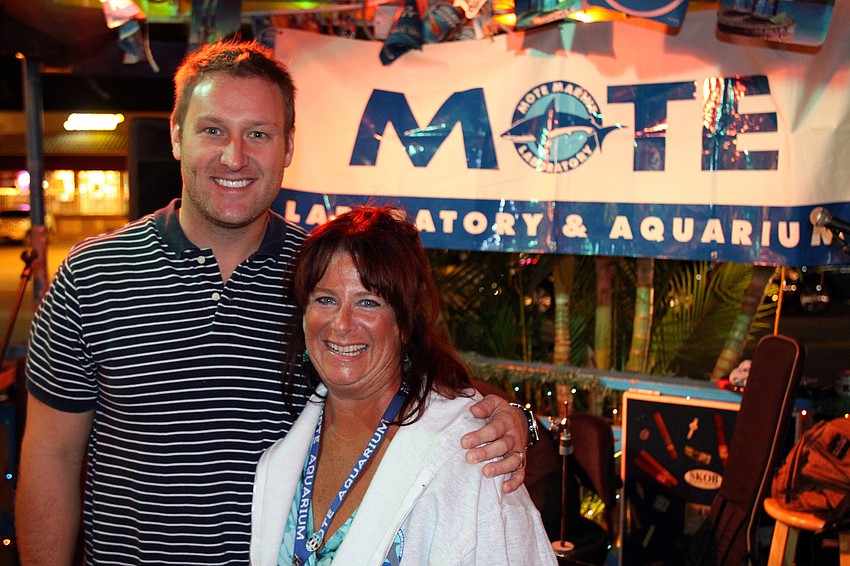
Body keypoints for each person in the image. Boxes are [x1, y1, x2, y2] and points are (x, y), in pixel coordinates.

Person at [15, 41, 532, 565]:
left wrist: (508, 416)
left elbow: (418, 377)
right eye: (213, 130)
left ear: (288, 147)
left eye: (258, 134)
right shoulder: (93, 273)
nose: (234, 157)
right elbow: (50, 456)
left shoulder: (323, 277)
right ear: (176, 135)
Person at [250, 206, 557, 565]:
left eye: (368, 302)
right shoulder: (283, 456)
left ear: (406, 324)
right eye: (326, 299)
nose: (342, 324)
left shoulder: (472, 456)